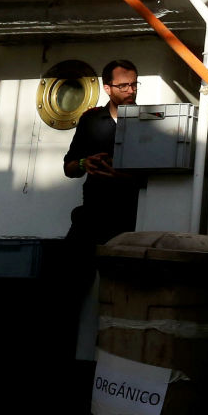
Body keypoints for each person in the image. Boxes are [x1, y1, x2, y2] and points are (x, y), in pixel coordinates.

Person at [61, 60, 146, 343]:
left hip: (131, 216)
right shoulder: (90, 120)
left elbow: (158, 175)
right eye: (123, 85)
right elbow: (69, 167)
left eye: (134, 84)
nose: (130, 90)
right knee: (71, 283)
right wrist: (86, 162)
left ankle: (121, 347)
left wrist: (124, 175)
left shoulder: (149, 120)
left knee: (126, 287)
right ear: (107, 88)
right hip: (92, 214)